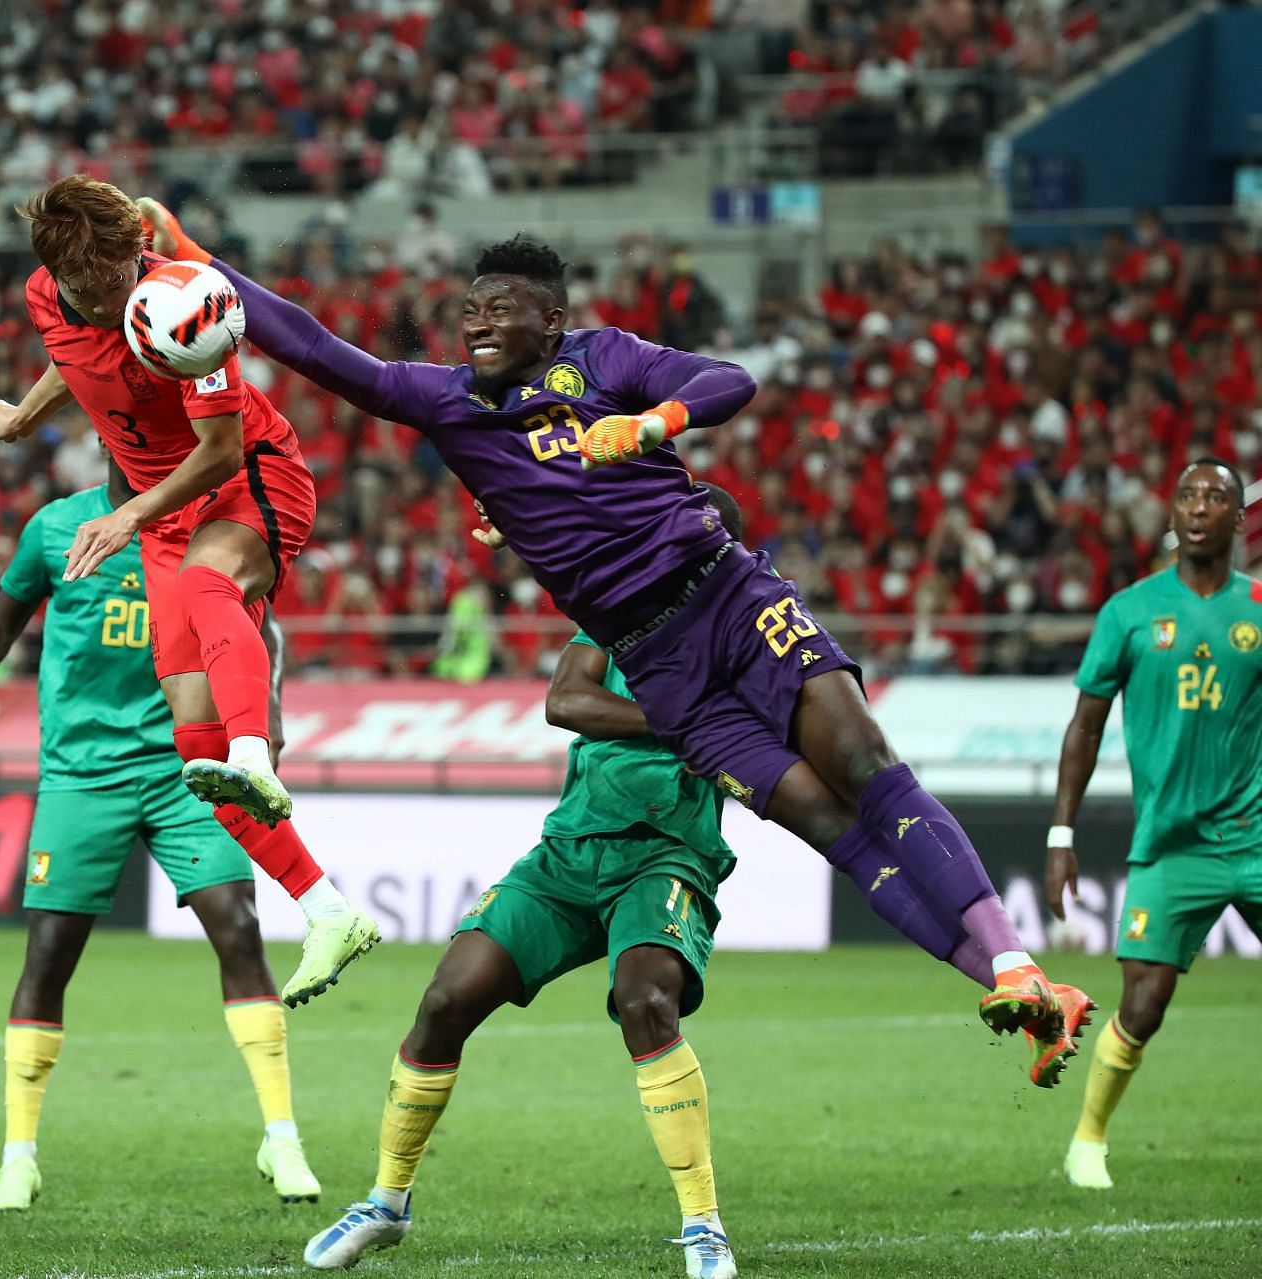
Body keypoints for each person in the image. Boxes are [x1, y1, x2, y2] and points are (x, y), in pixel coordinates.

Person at [141, 201, 1087, 1084]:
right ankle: (1026, 991)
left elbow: (731, 381)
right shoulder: (448, 403)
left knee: (867, 763)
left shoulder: (606, 360)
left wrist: (649, 424)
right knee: (834, 832)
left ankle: (1012, 958)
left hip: (727, 593)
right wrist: (192, 260)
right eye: (468, 308)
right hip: (660, 666)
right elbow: (315, 345)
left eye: (499, 307)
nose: (475, 321)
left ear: (549, 322)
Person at [302, 486, 749, 1279]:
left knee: (648, 1000)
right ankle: (387, 1200)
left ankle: (703, 1224)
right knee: (445, 999)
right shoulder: (618, 618)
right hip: (569, 853)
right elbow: (564, 700)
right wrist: (678, 721)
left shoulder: (748, 646)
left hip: (668, 854)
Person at [0, 175, 378, 1007]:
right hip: (164, 517)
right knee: (197, 756)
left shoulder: (185, 305)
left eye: (127, 268)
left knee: (207, 587)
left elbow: (222, 452)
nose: (120, 290)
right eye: (99, 283)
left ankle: (257, 751)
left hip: (245, 484)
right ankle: (327, 909)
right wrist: (22, 416)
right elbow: (73, 361)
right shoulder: (49, 295)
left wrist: (126, 518)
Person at [0, 471, 321, 1212]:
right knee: (47, 956)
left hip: (188, 765)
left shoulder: (207, 520)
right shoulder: (55, 527)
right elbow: (2, 621)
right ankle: (19, 1156)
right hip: (82, 774)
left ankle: (283, 1137)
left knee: (240, 929)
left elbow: (259, 622)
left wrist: (263, 715)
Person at [1047, 457, 1262, 1188]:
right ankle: (1088, 1140)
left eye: (1218, 497)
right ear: (1172, 515)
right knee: (1143, 1003)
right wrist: (1061, 835)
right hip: (1172, 845)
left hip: (1257, 837)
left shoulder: (1260, 607)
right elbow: (1084, 727)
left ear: (1239, 519)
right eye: (1188, 495)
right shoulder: (1130, 611)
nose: (1200, 506)